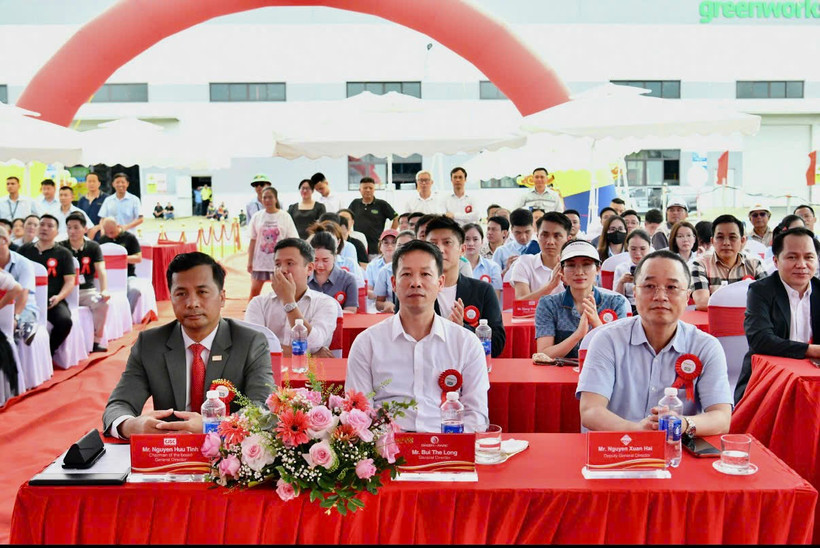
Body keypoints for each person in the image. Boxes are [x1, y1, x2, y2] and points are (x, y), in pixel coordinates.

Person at [102, 252, 274, 438]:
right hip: (169, 452)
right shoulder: (150, 344)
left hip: (230, 454)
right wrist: (131, 425)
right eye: (181, 293)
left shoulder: (250, 342)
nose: (192, 303)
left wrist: (214, 426)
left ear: (222, 297)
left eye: (202, 292)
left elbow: (263, 408)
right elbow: (119, 405)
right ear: (171, 298)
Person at [577, 250, 732, 435]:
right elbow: (590, 411)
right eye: (649, 286)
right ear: (634, 292)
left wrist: (682, 424)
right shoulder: (607, 340)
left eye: (672, 288)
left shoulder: (706, 346)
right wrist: (638, 430)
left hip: (675, 450)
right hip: (618, 449)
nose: (660, 296)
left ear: (687, 296)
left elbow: (722, 418)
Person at [345, 239, 490, 433]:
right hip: (387, 451)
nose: (415, 283)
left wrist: (445, 445)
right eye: (406, 274)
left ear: (440, 283)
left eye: (425, 274)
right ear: (394, 284)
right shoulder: (367, 343)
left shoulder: (466, 343)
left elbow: (477, 415)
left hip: (446, 446)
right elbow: (359, 414)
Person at [735, 227, 820, 403]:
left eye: (809, 257)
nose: (802, 264)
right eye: (792, 257)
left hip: (814, 378)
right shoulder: (760, 291)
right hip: (770, 377)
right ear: (775, 261)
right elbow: (760, 339)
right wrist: (811, 350)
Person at [423, 216, 505, 357]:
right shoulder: (415, 290)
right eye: (433, 243)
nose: (440, 250)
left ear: (462, 249)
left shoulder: (483, 291)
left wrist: (462, 327)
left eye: (447, 242)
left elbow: (497, 344)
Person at [535, 240, 629, 359]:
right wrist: (578, 335)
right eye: (571, 265)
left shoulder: (616, 303)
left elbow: (621, 352)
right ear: (562, 270)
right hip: (558, 375)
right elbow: (544, 354)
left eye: (586, 264)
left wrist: (597, 324)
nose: (579, 272)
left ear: (598, 269)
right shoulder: (548, 304)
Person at [245, 238, 337, 358]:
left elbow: (314, 344)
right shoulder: (258, 303)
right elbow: (253, 347)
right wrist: (308, 355)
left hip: (310, 375)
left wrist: (288, 301)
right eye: (278, 264)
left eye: (290, 263)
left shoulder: (326, 303)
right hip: (268, 374)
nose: (282, 270)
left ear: (309, 268)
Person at [18, 214, 75, 355]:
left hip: (52, 300)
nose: (44, 228)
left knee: (65, 322)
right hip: (26, 299)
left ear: (56, 232)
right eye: (42, 225)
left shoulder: (64, 253)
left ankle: (48, 352)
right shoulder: (25, 250)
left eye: (50, 226)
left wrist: (59, 297)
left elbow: (70, 281)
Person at [690, 214, 767, 311]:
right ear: (712, 241)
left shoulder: (755, 264)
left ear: (742, 241)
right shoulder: (700, 264)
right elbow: (702, 302)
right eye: (720, 237)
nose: (726, 243)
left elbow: (768, 298)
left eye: (732, 237)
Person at [59, 213, 110, 353]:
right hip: (65, 292)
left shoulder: (93, 247)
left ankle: (96, 340)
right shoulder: (60, 247)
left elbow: (101, 269)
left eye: (76, 227)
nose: (72, 231)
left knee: (103, 303)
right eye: (69, 228)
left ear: (85, 229)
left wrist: (104, 290)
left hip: (86, 291)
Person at [247, 186, 299, 300]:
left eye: (270, 197)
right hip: (260, 262)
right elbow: (253, 240)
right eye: (264, 198)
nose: (267, 200)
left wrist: (292, 261)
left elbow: (293, 240)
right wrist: (250, 261)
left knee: (282, 290)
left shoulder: (284, 216)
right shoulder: (257, 216)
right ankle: (251, 313)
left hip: (280, 262)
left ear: (276, 199)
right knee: (254, 290)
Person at [511, 211, 570, 300]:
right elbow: (520, 302)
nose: (550, 242)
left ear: (568, 240)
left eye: (557, 236)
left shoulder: (577, 266)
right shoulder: (524, 263)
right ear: (537, 236)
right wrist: (550, 286)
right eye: (544, 235)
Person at [0, 225, 38, 345]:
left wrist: (15, 317)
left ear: (4, 240)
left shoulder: (24, 263)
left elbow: (23, 294)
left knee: (16, 326)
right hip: (3, 306)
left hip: (22, 307)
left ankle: (26, 327)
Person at [307, 229, 359, 313]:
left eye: (325, 260)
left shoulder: (348, 280)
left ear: (335, 256)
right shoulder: (303, 278)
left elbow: (351, 311)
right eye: (315, 260)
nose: (320, 265)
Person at [98, 217, 143, 311]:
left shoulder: (130, 238)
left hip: (128, 275)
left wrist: (119, 259)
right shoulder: (103, 240)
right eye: (107, 233)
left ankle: (127, 315)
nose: (110, 236)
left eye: (112, 232)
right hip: (108, 277)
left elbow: (138, 258)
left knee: (135, 291)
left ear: (118, 226)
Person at [348, 177, 398, 256]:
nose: (368, 190)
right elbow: (347, 218)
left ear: (374, 189)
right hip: (358, 246)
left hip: (376, 248)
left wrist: (389, 234)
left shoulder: (382, 204)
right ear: (360, 190)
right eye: (365, 188)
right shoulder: (355, 203)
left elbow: (396, 218)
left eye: (370, 188)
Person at [374, 230, 415, 312]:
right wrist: (386, 305)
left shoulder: (424, 269)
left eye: (408, 246)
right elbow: (378, 302)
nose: (403, 249)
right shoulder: (385, 271)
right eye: (399, 245)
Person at [92, 172, 143, 237]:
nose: (120, 185)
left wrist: (126, 227)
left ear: (127, 184)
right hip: (110, 236)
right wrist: (102, 230)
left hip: (129, 235)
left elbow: (140, 219)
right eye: (117, 182)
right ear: (113, 184)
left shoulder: (134, 200)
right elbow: (102, 219)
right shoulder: (108, 200)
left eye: (122, 182)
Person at [613, 229, 652, 315]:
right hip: (628, 307)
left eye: (642, 249)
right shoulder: (621, 268)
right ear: (628, 248)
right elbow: (616, 299)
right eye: (633, 249)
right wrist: (621, 282)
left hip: (650, 306)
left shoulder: (655, 267)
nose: (638, 253)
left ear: (649, 247)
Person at [492, 208, 537, 279]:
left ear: (533, 228)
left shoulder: (541, 249)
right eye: (518, 233)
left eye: (527, 232)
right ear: (512, 229)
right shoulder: (501, 252)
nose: (523, 237)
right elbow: (494, 281)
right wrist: (507, 270)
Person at [463, 223, 502, 301]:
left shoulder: (493, 267)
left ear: (482, 241)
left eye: (475, 239)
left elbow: (495, 299)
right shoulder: (454, 266)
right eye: (467, 239)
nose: (471, 243)